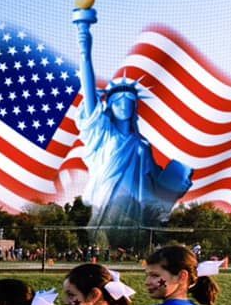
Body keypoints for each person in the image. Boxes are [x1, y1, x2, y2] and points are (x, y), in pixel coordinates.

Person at [76, 14, 192, 241]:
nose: (124, 106)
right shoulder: (102, 133)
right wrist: (84, 43)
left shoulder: (142, 144)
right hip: (107, 202)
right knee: (103, 242)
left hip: (137, 208)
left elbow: (153, 183)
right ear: (109, 105)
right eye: (118, 102)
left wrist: (176, 180)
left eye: (129, 101)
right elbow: (88, 89)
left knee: (134, 242)